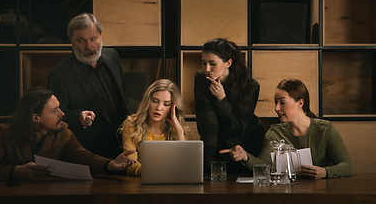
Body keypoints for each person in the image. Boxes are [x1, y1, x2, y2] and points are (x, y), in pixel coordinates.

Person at [0, 87, 136, 181]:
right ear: (36, 118)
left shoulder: (62, 131)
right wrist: (15, 171)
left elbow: (83, 157)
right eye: (54, 110)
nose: (62, 114)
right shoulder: (6, 134)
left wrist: (109, 164)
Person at [221, 79, 353, 179]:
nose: (276, 108)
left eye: (282, 102)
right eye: (275, 102)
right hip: (285, 194)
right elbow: (264, 165)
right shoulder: (274, 132)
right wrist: (245, 156)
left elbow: (347, 165)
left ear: (300, 103)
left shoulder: (324, 129)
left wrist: (325, 172)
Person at [48, 13, 129, 159]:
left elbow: (122, 96)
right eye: (82, 41)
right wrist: (78, 117)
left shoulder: (112, 56)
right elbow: (55, 117)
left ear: (100, 35)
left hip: (123, 146)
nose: (89, 46)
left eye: (93, 39)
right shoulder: (59, 74)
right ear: (71, 40)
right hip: (90, 154)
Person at [194, 38, 265, 174]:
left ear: (228, 63)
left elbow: (238, 129)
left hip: (248, 145)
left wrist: (222, 99)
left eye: (212, 64)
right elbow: (208, 126)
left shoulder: (250, 86)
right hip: (218, 146)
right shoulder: (201, 78)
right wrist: (204, 167)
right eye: (203, 63)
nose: (207, 69)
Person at [119, 79, 190, 176]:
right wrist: (154, 172)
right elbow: (131, 165)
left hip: (173, 183)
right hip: (143, 182)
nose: (159, 108)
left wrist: (179, 130)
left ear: (173, 107)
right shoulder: (131, 125)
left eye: (166, 104)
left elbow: (185, 166)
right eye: (155, 101)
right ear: (148, 101)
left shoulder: (178, 130)